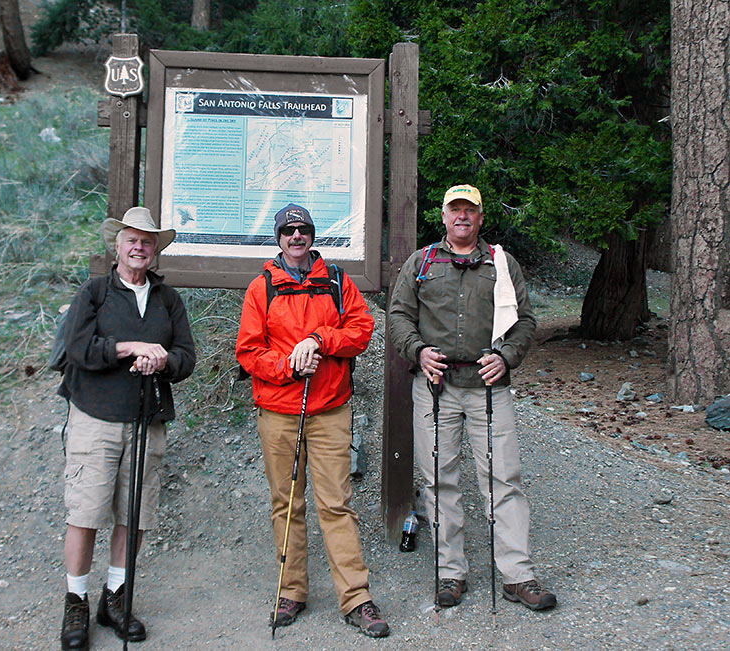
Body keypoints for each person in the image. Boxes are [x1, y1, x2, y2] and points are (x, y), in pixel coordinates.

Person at [388, 185, 557, 612]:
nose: (462, 216)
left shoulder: (501, 264)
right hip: (435, 389)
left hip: (489, 389)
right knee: (439, 480)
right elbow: (399, 315)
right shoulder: (422, 263)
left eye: (470, 210)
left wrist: (506, 357)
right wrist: (418, 351)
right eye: (455, 209)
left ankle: (519, 576)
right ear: (443, 216)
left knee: (504, 480)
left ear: (480, 218)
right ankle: (451, 572)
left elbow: (525, 321)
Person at [236, 204, 390, 638]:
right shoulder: (260, 288)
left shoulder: (337, 281)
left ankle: (356, 598)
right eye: (288, 230)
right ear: (278, 237)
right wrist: (289, 364)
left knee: (336, 503)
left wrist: (319, 339)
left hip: (330, 410)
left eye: (303, 230)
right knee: (287, 504)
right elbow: (249, 353)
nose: (296, 237)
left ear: (312, 235)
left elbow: (362, 330)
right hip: (279, 413)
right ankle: (291, 591)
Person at [57, 207, 196, 650]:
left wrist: (163, 360)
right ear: (116, 246)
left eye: (147, 242)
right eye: (132, 240)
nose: (139, 248)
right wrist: (130, 347)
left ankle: (114, 598)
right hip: (95, 417)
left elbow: (185, 357)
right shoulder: (94, 293)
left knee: (133, 514)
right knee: (86, 512)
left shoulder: (168, 299)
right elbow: (77, 348)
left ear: (155, 251)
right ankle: (75, 601)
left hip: (145, 419)